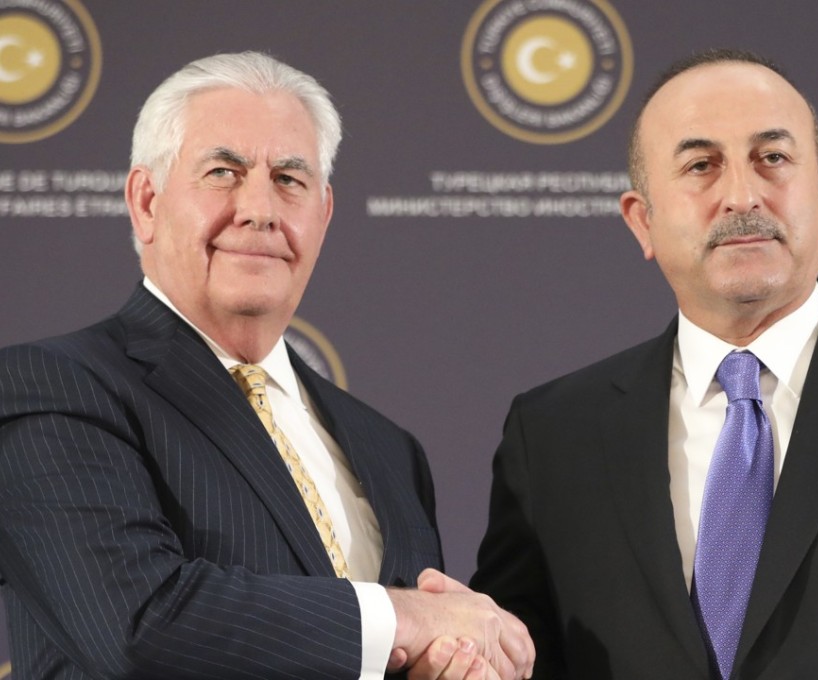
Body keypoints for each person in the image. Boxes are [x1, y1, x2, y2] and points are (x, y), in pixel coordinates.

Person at [470, 48, 818, 679]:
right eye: (701, 165)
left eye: (773, 158)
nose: (741, 194)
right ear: (641, 221)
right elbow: (511, 660)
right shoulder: (552, 436)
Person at [0, 51, 532, 680]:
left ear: (323, 214)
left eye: (289, 178)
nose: (260, 208)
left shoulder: (389, 449)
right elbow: (136, 627)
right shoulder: (48, 387)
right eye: (224, 172)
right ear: (146, 202)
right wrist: (409, 617)